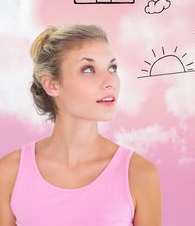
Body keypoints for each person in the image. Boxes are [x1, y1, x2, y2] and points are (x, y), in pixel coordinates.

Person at [0, 24, 162, 225]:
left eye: (112, 68)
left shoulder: (139, 174)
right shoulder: (9, 173)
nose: (109, 81)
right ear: (51, 84)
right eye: (88, 69)